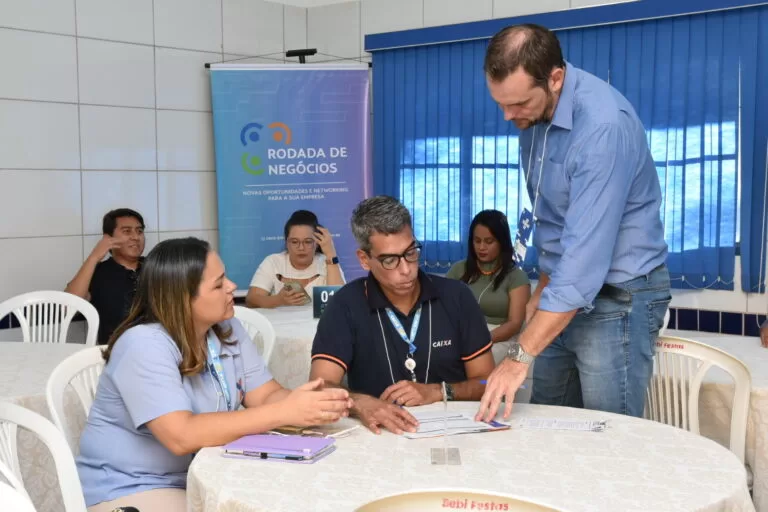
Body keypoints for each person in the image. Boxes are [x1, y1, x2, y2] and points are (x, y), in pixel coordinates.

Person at [476, 24, 671, 422]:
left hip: (618, 297)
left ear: (555, 78)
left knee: (606, 429)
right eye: (501, 104)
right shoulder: (532, 118)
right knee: (547, 421)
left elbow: (584, 263)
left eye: (518, 103)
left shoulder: (602, 128)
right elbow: (553, 218)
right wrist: (544, 285)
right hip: (562, 291)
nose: (508, 116)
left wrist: (517, 357)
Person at [76, 237, 352, 511]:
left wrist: (314, 404)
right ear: (182, 298)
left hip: (207, 473)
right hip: (133, 485)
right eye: (218, 284)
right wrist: (284, 412)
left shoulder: (226, 327)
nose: (231, 287)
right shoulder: (143, 344)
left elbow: (266, 395)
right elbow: (181, 435)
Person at [310, 196, 495, 435]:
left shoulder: (457, 297)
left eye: (411, 253)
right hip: (382, 436)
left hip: (454, 434)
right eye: (389, 260)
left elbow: (486, 382)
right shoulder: (345, 305)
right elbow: (319, 388)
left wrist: (440, 391)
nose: (406, 269)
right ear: (364, 260)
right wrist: (361, 403)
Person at [446, 210, 530, 343]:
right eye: (477, 241)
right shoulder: (458, 269)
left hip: (499, 339)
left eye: (489, 241)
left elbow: (514, 324)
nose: (481, 247)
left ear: (502, 242)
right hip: (460, 335)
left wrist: (481, 340)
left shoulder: (517, 277)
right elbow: (442, 308)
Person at [65, 208, 146, 345]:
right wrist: (94, 257)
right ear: (108, 239)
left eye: (139, 231)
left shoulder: (157, 266)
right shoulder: (97, 273)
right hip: (115, 352)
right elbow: (67, 308)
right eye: (127, 231)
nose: (136, 237)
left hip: (160, 349)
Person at [246, 210, 345, 308]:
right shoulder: (273, 261)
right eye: (294, 242)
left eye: (308, 242)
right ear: (286, 243)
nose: (301, 248)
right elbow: (251, 300)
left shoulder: (327, 262)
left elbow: (340, 304)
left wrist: (331, 254)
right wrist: (278, 300)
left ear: (317, 243)